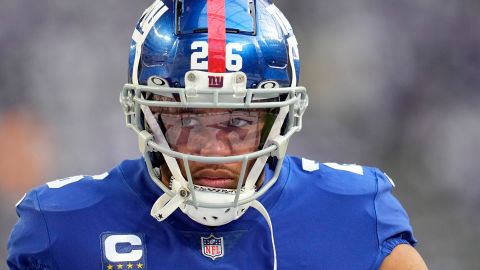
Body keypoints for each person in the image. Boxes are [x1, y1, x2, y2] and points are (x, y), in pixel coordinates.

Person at [7, 0, 428, 269]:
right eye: (186, 121)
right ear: (146, 114)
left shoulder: (356, 213)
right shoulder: (61, 227)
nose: (212, 149)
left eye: (238, 123)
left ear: (277, 120)